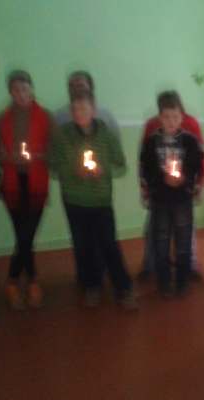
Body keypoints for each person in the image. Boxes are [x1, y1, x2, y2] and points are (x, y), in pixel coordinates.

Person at [50, 90, 137, 310]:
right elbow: (53, 165)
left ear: (94, 110)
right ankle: (92, 287)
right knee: (83, 247)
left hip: (100, 200)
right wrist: (74, 171)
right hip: (74, 201)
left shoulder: (105, 134)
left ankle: (123, 288)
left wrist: (103, 170)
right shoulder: (63, 134)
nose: (79, 113)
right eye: (75, 109)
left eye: (84, 108)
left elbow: (121, 165)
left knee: (109, 245)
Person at [0, 70, 53, 310]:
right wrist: (7, 157)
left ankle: (13, 280)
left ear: (31, 89)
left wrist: (37, 156)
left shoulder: (45, 117)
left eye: (24, 89)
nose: (21, 94)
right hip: (12, 184)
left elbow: (54, 150)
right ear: (10, 92)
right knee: (23, 235)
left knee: (26, 236)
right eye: (16, 90)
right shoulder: (1, 119)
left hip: (36, 183)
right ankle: (32, 281)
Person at [140, 93, 204, 298]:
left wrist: (185, 179)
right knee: (161, 242)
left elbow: (195, 165)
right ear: (160, 118)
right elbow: (146, 169)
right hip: (160, 200)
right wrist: (161, 180)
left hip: (182, 200)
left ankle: (182, 281)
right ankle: (164, 282)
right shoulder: (151, 142)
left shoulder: (190, 141)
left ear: (181, 118)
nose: (171, 121)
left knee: (183, 243)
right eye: (167, 117)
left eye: (175, 117)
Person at [54, 71, 120, 138]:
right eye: (71, 86)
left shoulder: (105, 116)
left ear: (91, 87)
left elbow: (115, 140)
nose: (76, 89)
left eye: (80, 86)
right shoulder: (60, 117)